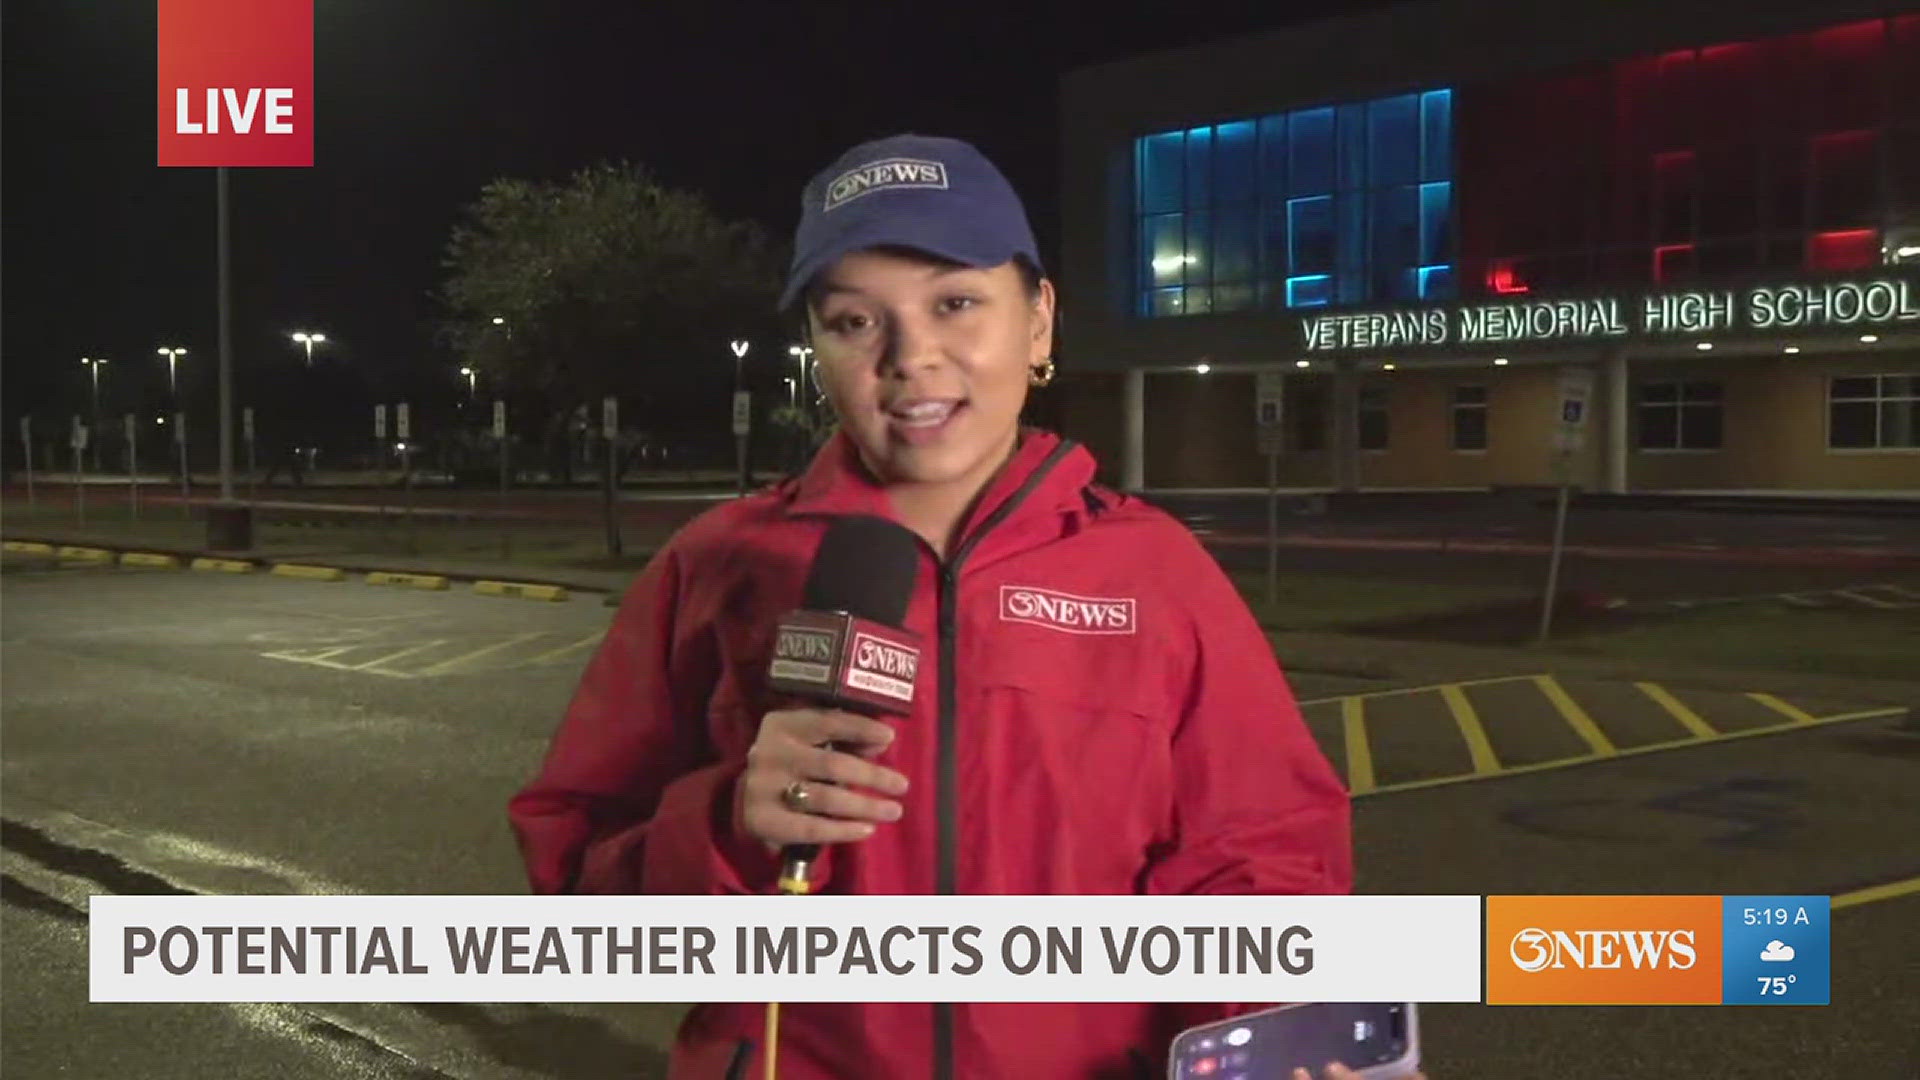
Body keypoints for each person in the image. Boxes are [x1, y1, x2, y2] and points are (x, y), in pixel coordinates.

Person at [508, 134, 1398, 1080]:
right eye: (854, 321)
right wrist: (728, 824)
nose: (911, 357)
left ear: (1040, 320)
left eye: (957, 303)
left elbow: (1260, 865)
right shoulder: (717, 565)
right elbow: (577, 886)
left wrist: (1281, 1049)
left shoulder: (1153, 573)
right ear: (817, 347)